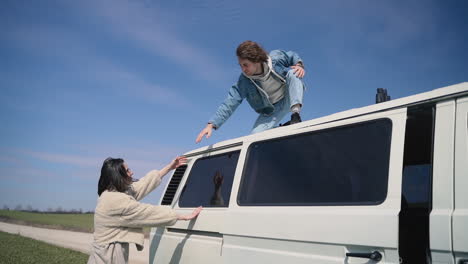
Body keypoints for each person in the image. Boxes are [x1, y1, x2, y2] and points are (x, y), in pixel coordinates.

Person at [87, 156, 202, 264]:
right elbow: (147, 213)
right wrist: (181, 216)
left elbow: (143, 184)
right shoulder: (115, 200)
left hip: (103, 256)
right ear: (118, 176)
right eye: (127, 171)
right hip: (107, 258)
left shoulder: (112, 193)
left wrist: (169, 167)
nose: (131, 172)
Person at [196, 40, 307, 143]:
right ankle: (281, 129)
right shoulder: (244, 81)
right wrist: (212, 124)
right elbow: (230, 103)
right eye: (240, 65)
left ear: (257, 60)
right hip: (272, 110)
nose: (243, 69)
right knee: (254, 137)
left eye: (245, 65)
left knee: (293, 73)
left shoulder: (275, 59)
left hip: (289, 96)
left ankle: (295, 115)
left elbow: (291, 55)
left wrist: (299, 65)